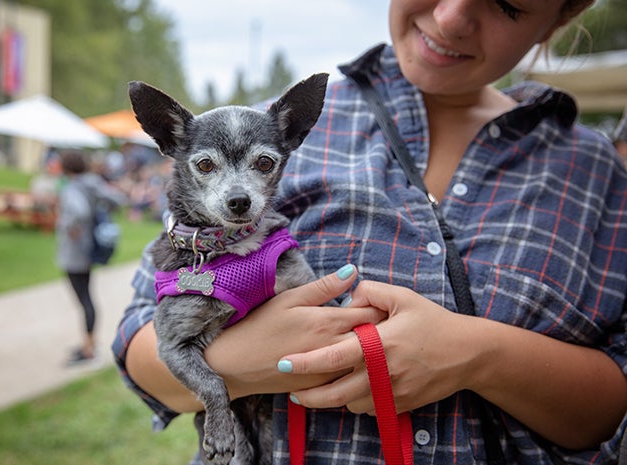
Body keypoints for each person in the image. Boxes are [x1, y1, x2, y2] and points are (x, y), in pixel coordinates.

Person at [112, 1, 627, 464]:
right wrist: (248, 362)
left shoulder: (597, 174)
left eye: (507, 5)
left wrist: (479, 354)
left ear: (562, 15)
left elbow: (613, 407)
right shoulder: (251, 127)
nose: (451, 17)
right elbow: (139, 341)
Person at [57, 151, 127, 365]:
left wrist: (69, 226)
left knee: (84, 299)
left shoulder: (72, 188)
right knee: (87, 297)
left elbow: (79, 211)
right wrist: (102, 212)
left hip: (74, 250)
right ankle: (89, 344)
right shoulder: (93, 183)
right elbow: (119, 199)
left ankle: (89, 349)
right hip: (89, 248)